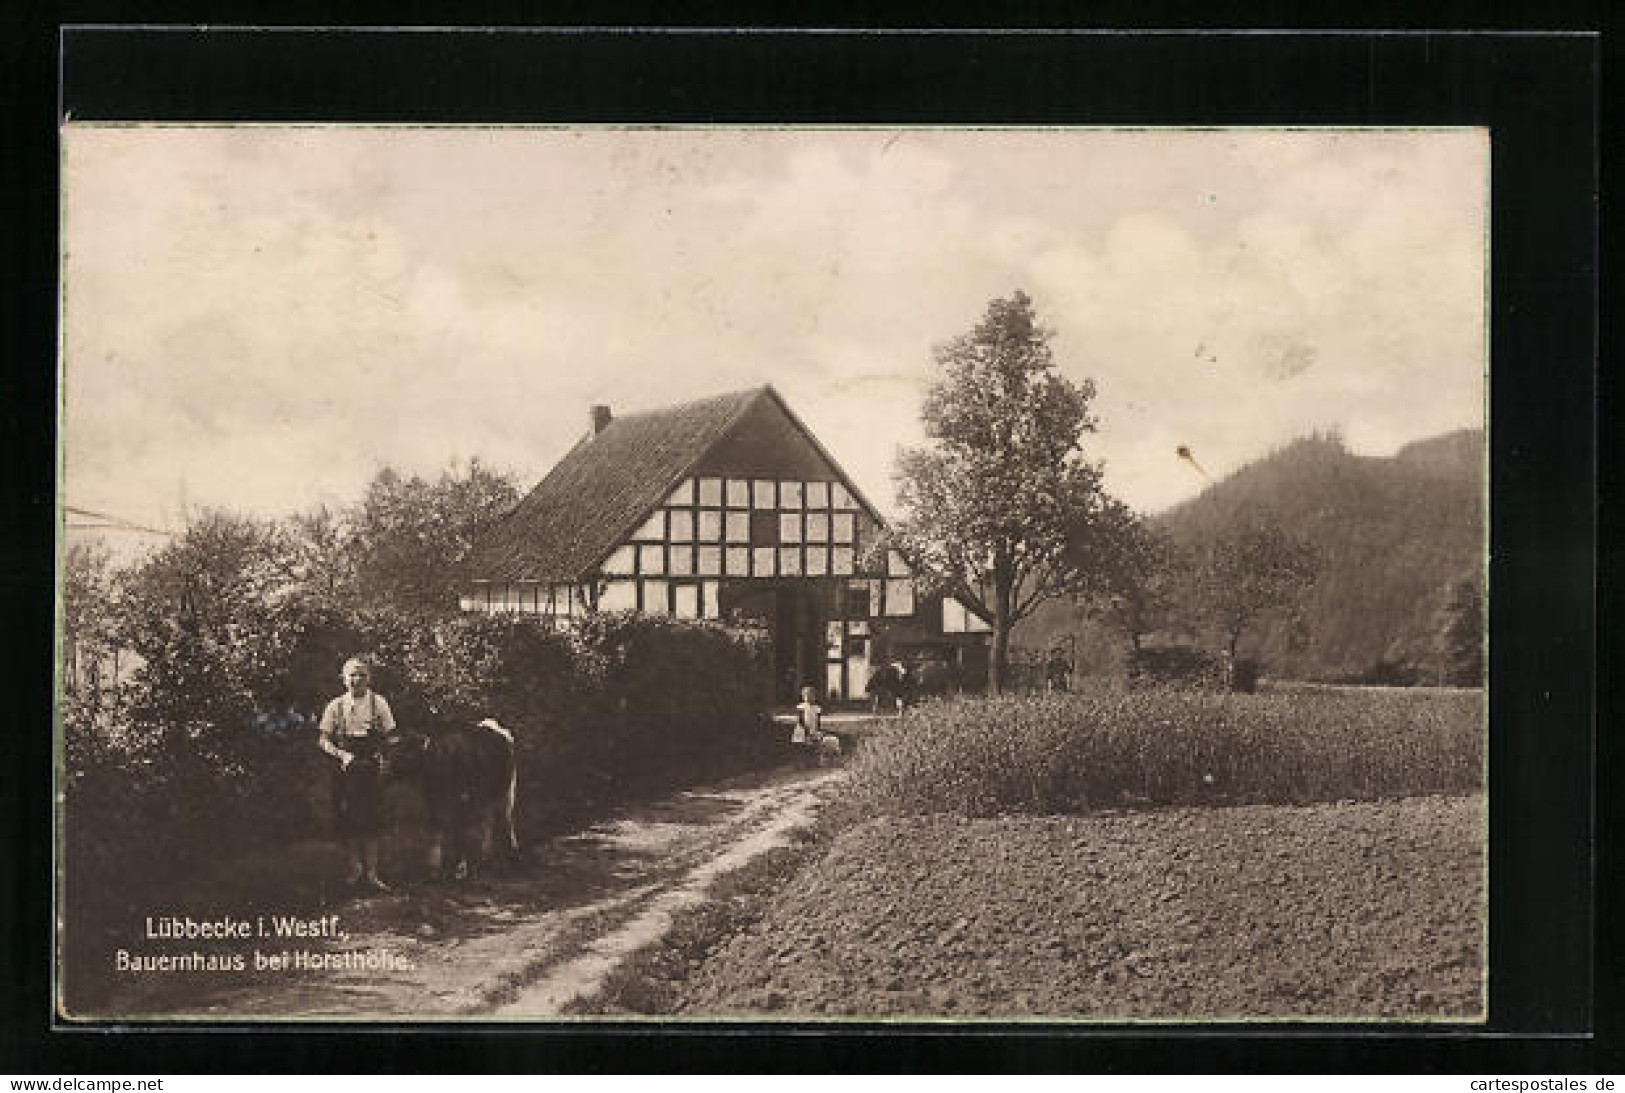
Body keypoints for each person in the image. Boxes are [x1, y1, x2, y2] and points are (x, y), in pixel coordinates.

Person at [318, 657, 399, 892]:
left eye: (362, 674)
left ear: (369, 678)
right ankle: (354, 870)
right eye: (352, 675)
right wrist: (341, 755)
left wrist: (386, 756)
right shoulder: (335, 706)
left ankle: (373, 874)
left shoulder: (379, 703)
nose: (357, 679)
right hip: (346, 769)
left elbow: (392, 735)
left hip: (371, 768)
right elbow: (322, 739)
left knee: (373, 821)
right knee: (349, 820)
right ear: (343, 679)